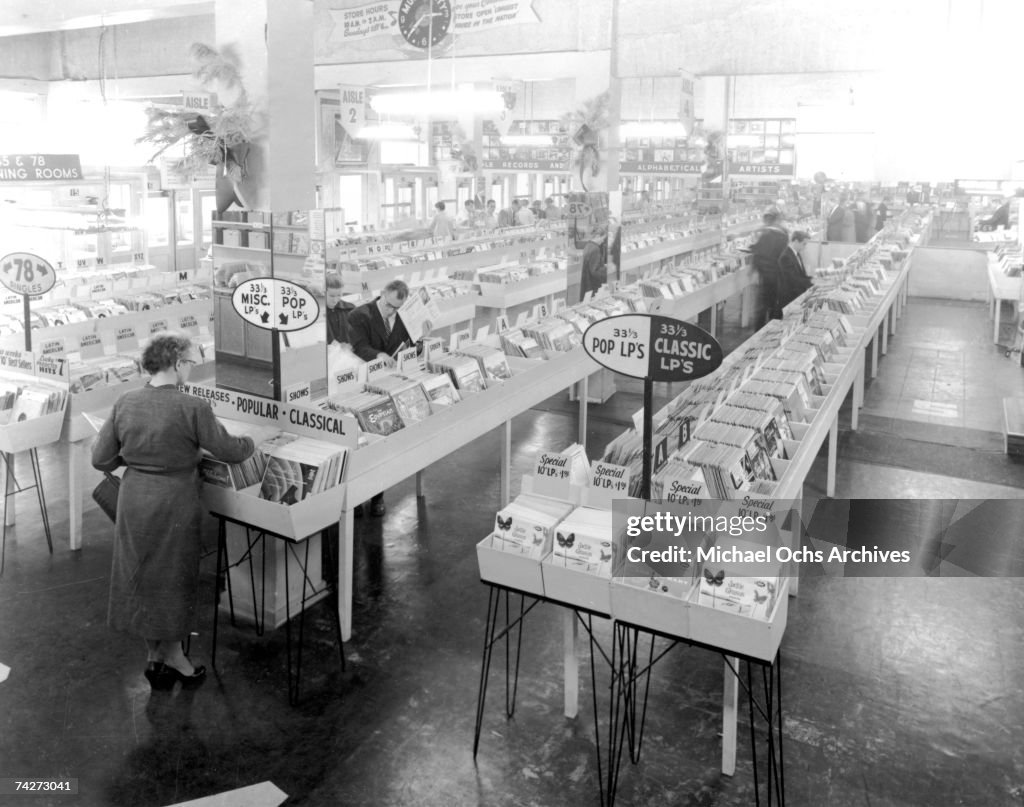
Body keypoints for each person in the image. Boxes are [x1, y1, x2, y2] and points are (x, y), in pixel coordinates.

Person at [92, 332, 255, 691]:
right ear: (178, 364)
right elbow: (228, 449)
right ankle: (178, 658)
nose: (193, 370)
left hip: (134, 498)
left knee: (141, 575)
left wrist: (136, 461)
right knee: (174, 579)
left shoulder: (125, 401)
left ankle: (154, 657)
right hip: (174, 500)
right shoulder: (193, 407)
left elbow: (100, 458)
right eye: (192, 363)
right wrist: (253, 440)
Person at [348, 280, 430, 516]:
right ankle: (355, 498)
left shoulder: (404, 317)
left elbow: (410, 350)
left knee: (383, 440)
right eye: (388, 305)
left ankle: (377, 496)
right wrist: (378, 355)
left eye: (396, 308)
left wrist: (421, 340)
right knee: (362, 442)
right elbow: (358, 346)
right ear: (381, 294)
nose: (392, 311)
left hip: (391, 385)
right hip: (362, 385)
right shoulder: (359, 315)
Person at [749, 207, 789, 328]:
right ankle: (772, 329)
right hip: (778, 274)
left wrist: (754, 271)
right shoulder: (783, 233)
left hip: (767, 275)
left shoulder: (768, 234)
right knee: (773, 304)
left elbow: (758, 251)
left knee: (762, 307)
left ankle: (758, 332)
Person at [776, 230, 813, 314]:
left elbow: (802, 275)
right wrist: (813, 282)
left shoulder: (796, 253)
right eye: (804, 244)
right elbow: (794, 279)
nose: (805, 247)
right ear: (796, 241)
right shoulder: (786, 256)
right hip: (789, 298)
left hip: (797, 294)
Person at [324, 272, 355, 346]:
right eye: (331, 296)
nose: (335, 300)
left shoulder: (351, 309)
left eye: (339, 295)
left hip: (349, 355)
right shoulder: (317, 315)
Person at [579, 224, 608, 301]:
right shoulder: (595, 249)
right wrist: (606, 269)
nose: (603, 241)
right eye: (603, 238)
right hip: (593, 286)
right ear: (597, 236)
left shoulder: (588, 246)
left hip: (587, 284)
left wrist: (602, 265)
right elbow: (595, 271)